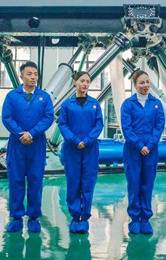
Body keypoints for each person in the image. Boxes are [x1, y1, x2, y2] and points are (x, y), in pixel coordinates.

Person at [2, 61, 55, 233]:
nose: (33, 77)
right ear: (21, 76)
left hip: (36, 145)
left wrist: (31, 133)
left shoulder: (44, 97)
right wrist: (20, 134)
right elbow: (6, 117)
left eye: (35, 74)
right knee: (16, 180)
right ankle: (16, 217)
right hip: (17, 145)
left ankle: (33, 217)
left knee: (35, 180)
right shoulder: (12, 96)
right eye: (29, 74)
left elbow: (48, 117)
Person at [58, 71, 104, 234]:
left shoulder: (94, 104)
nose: (85, 84)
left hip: (90, 149)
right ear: (75, 83)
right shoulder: (67, 105)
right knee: (73, 182)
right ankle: (75, 216)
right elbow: (62, 124)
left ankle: (84, 218)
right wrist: (75, 140)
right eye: (82, 81)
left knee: (88, 182)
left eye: (87, 81)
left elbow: (99, 124)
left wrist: (88, 139)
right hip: (72, 149)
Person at [120, 70, 165, 234]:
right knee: (134, 183)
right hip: (133, 150)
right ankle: (134, 219)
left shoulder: (156, 103)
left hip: (151, 150)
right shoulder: (128, 104)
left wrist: (150, 145)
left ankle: (145, 219)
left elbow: (159, 125)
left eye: (147, 82)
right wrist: (140, 145)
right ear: (135, 85)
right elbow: (126, 128)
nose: (145, 85)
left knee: (147, 183)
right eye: (141, 83)